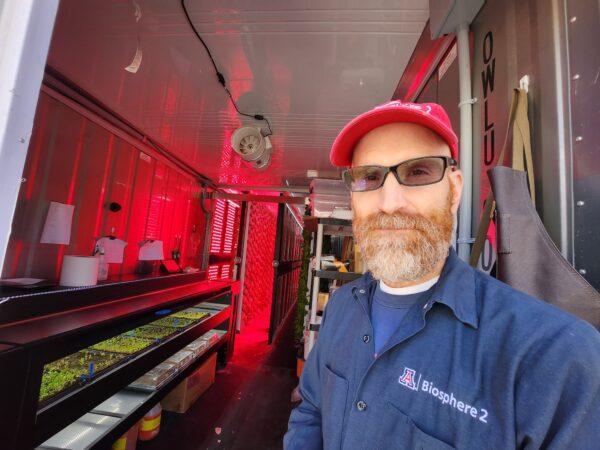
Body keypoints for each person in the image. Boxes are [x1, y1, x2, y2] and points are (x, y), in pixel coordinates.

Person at [284, 101, 600, 450]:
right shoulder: (340, 308)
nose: (389, 203)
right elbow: (311, 411)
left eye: (418, 172)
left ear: (455, 190)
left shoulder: (556, 358)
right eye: (370, 177)